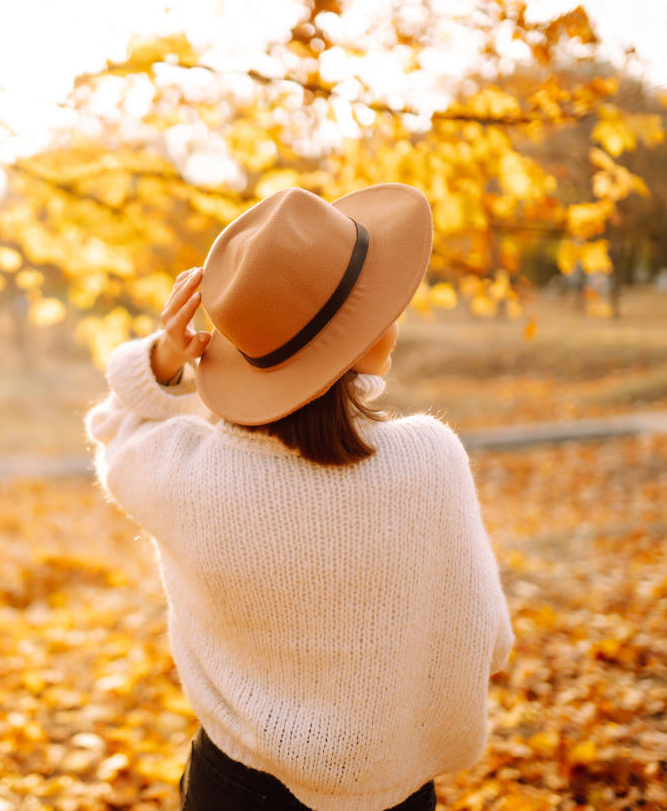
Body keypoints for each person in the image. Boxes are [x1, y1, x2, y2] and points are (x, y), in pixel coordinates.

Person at [86, 184, 513, 811]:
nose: (395, 315)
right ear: (354, 342)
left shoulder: (185, 474)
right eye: (381, 303)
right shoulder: (431, 461)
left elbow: (113, 428)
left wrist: (162, 358)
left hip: (231, 786)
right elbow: (491, 643)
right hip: (391, 793)